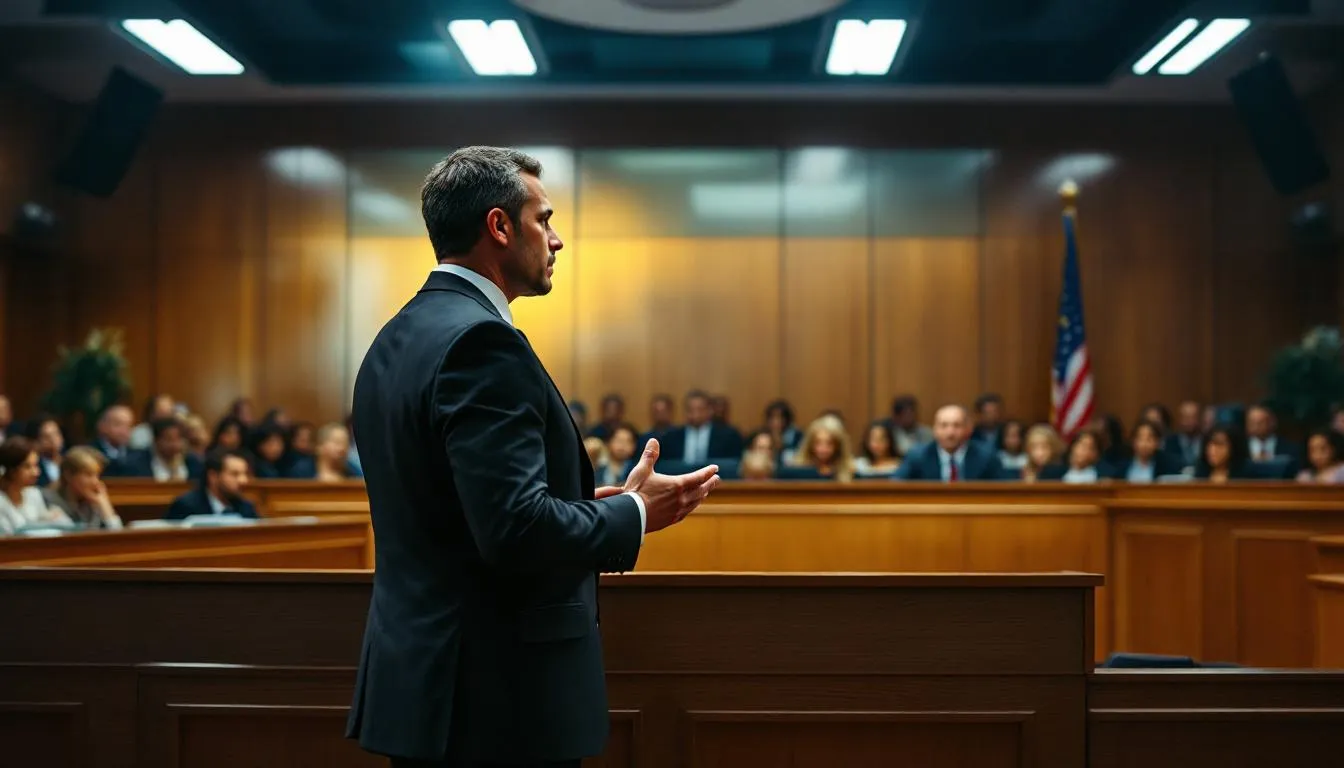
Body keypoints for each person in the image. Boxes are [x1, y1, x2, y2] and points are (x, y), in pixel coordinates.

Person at [345, 146, 721, 768]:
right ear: (499, 226)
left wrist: (574, 504)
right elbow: (514, 530)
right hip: (494, 704)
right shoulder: (482, 343)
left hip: (424, 685)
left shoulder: (397, 336)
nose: (557, 239)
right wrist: (632, 511)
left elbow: (456, 510)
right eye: (543, 219)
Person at [895, 405, 1004, 482]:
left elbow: (1003, 491)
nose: (950, 433)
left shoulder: (986, 456)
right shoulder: (918, 456)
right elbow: (896, 486)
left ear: (968, 429)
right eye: (944, 426)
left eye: (956, 426)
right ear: (935, 430)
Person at [163, 449, 258, 520]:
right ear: (213, 476)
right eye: (234, 474)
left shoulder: (246, 508)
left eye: (244, 474)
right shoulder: (186, 507)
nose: (243, 480)